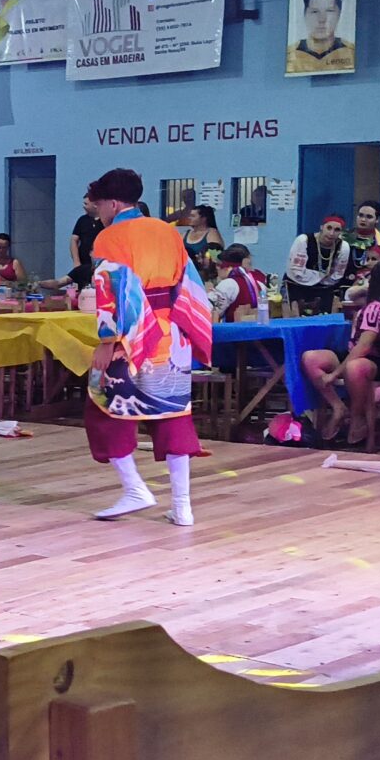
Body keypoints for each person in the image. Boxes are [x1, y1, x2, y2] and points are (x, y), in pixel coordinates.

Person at [81, 169, 211, 527]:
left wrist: (108, 341)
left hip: (132, 334)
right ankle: (182, 506)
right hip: (173, 334)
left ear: (112, 203)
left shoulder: (109, 237)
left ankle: (135, 488)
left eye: (98, 205)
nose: (98, 213)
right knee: (173, 414)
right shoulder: (168, 231)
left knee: (105, 407)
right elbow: (190, 283)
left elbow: (111, 292)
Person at [301, 261, 380, 447]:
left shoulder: (377, 307)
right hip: (357, 353)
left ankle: (357, 415)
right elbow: (352, 295)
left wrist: (335, 374)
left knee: (354, 367)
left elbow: (364, 346)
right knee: (310, 358)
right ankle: (338, 406)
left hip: (378, 360)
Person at [284, 216, 354, 315]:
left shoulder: (343, 247)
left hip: (325, 287)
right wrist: (321, 276)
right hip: (296, 285)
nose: (331, 233)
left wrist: (319, 279)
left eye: (337, 230)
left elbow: (337, 275)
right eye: (329, 228)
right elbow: (297, 271)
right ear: (321, 227)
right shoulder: (304, 240)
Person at [286, 0, 355, 74]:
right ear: (304, 14)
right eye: (314, 12)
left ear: (339, 14)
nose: (322, 19)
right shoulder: (290, 56)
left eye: (329, 11)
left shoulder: (351, 53)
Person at [209, 244, 269, 320]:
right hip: (259, 325)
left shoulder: (228, 284)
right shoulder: (259, 277)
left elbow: (209, 311)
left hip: (234, 327)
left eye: (218, 265)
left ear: (228, 267)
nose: (216, 268)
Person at [69, 193, 103, 277]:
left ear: (95, 205)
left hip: (100, 264)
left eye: (86, 204)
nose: (83, 206)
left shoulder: (105, 221)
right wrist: (76, 262)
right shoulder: (82, 220)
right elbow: (74, 240)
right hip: (83, 263)